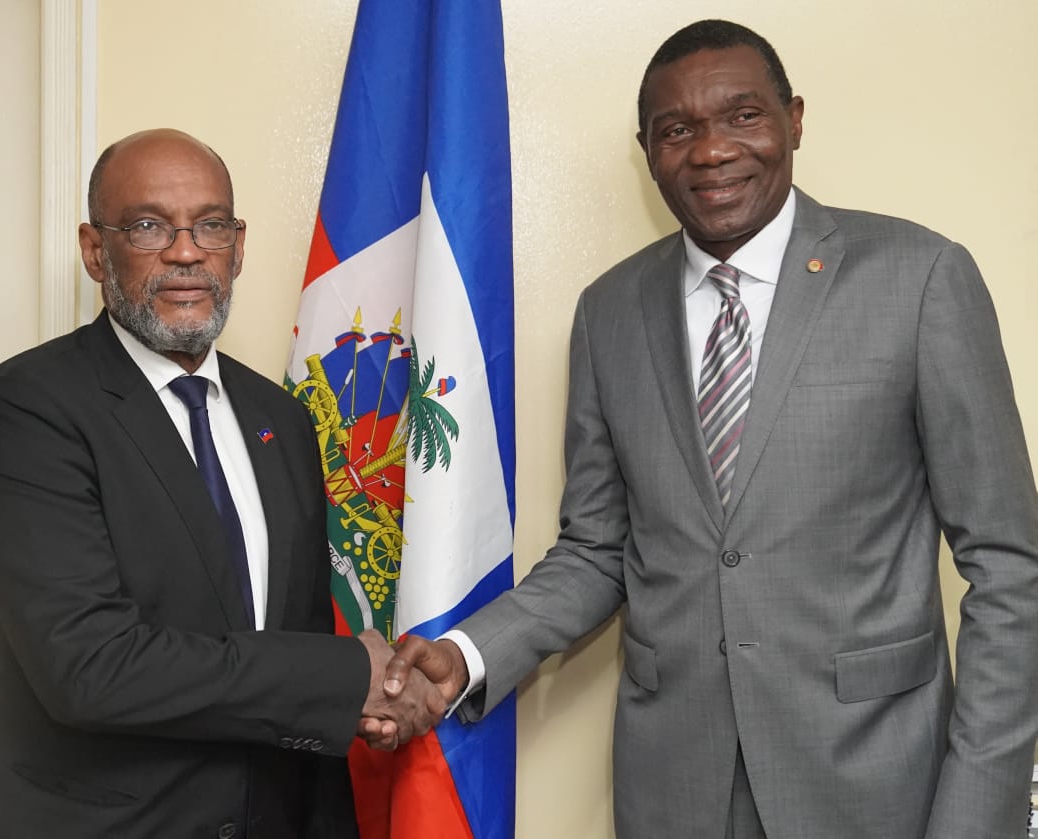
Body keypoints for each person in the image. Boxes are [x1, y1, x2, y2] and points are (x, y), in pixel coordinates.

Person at [375, 19, 1038, 839]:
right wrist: (468, 655)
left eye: (742, 116)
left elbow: (1011, 569)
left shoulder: (920, 278)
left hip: (876, 786)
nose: (711, 151)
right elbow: (596, 549)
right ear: (646, 150)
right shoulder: (608, 312)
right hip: (673, 789)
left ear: (793, 119)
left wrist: (979, 808)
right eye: (676, 130)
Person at [0, 128, 444, 839]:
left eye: (211, 224)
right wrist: (342, 677)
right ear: (92, 250)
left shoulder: (283, 418)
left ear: (237, 245)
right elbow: (90, 666)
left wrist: (359, 701)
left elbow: (290, 638)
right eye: (147, 225)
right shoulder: (26, 408)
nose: (186, 250)